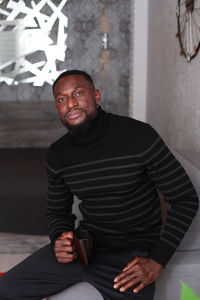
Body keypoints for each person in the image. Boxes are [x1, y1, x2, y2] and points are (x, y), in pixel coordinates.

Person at [0, 70, 198, 300]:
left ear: (96, 96)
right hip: (85, 247)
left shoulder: (138, 136)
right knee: (5, 290)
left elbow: (185, 198)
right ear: (57, 108)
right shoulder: (57, 154)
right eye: (62, 99)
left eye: (78, 93)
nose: (71, 104)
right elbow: (57, 211)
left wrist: (157, 261)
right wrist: (60, 239)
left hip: (132, 253)